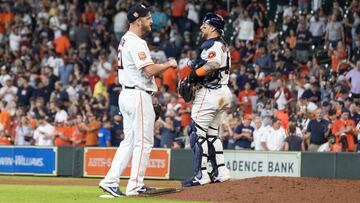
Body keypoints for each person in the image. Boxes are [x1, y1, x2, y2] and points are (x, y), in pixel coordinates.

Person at [99, 4, 177, 197]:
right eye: (148, 17)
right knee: (144, 142)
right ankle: (135, 185)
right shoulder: (136, 42)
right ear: (138, 20)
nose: (151, 20)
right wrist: (168, 64)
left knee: (130, 141)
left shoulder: (125, 40)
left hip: (128, 94)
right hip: (137, 95)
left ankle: (110, 180)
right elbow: (148, 70)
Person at [182, 13, 231, 187]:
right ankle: (221, 171)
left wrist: (195, 73)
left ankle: (201, 175)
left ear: (212, 27)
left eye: (204, 24)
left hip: (211, 93)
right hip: (223, 92)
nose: (202, 27)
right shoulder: (222, 45)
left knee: (197, 134)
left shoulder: (214, 45)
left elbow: (213, 65)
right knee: (211, 134)